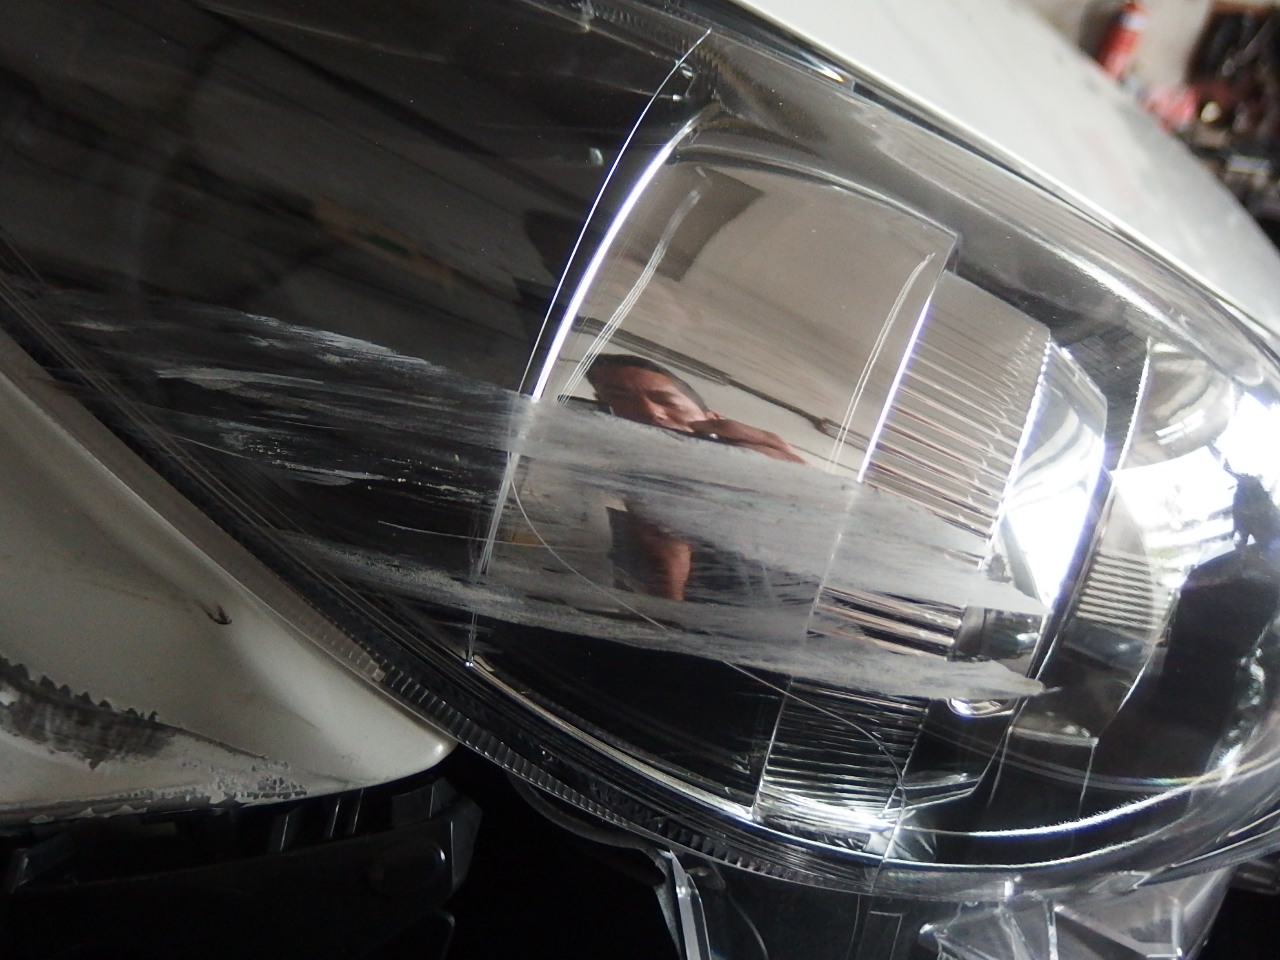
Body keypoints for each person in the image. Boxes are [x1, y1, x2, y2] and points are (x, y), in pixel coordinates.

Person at [584, 354, 804, 601]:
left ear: (715, 421)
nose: (650, 412)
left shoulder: (757, 475)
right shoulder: (592, 477)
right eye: (619, 398)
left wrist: (798, 480)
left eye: (667, 401)